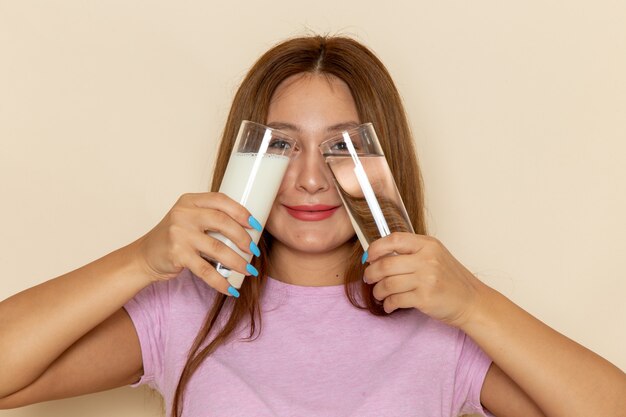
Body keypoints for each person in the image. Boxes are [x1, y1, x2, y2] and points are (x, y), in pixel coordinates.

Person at [0, 35, 624, 417]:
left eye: (339, 149)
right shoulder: (187, 309)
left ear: (385, 161)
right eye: (281, 147)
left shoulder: (441, 327)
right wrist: (141, 259)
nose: (308, 179)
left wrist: (476, 306)